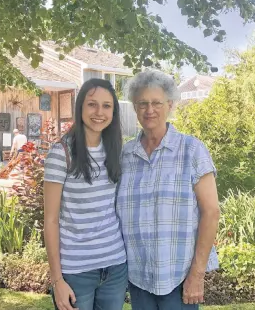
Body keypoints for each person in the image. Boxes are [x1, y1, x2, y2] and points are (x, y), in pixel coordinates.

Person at [116, 70, 220, 310]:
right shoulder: (125, 155)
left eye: (156, 103)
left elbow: (211, 212)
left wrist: (197, 274)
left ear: (170, 105)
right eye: (142, 103)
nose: (149, 109)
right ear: (135, 107)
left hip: (179, 277)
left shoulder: (192, 150)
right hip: (138, 276)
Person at [43, 79, 127, 310]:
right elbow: (50, 220)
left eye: (107, 106)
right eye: (92, 104)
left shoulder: (117, 152)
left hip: (115, 266)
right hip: (76, 270)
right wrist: (57, 280)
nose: (99, 112)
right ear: (80, 107)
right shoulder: (61, 153)